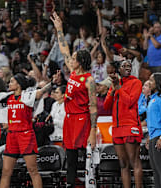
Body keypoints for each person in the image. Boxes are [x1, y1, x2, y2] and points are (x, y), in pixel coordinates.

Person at [51, 12, 97, 187]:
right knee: (70, 154)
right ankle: (71, 183)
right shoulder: (72, 71)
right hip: (69, 118)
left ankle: (88, 182)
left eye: (75, 58)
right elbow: (64, 49)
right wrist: (59, 29)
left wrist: (93, 130)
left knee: (83, 154)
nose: (71, 59)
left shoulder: (89, 80)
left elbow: (93, 107)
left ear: (81, 62)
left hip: (82, 118)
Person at [103, 60, 143, 188]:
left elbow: (130, 101)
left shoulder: (136, 82)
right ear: (118, 69)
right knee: (123, 164)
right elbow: (106, 106)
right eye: (124, 65)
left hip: (131, 126)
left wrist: (119, 89)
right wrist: (114, 89)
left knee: (134, 162)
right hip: (117, 128)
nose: (127, 68)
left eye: (129, 66)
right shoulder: (115, 84)